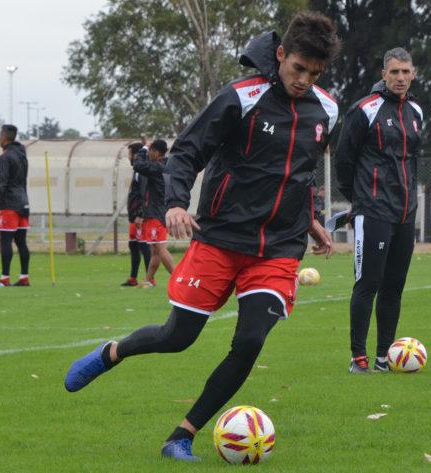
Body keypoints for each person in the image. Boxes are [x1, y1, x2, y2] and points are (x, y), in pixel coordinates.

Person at [64, 11, 340, 462]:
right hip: (220, 239)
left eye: (315, 73)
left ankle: (182, 435)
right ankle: (112, 352)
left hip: (278, 248)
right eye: (298, 69)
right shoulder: (240, 98)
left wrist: (309, 219)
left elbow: (301, 172)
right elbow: (187, 152)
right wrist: (174, 202)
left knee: (250, 342)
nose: (304, 81)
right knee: (178, 337)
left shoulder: (326, 110)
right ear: (281, 54)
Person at [334, 47, 423, 374]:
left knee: (394, 287)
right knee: (367, 283)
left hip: (405, 214)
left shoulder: (416, 110)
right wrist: (359, 200)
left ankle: (386, 356)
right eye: (394, 72)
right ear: (384, 74)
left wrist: (410, 200)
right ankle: (359, 357)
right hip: (372, 211)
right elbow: (344, 161)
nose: (400, 78)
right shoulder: (364, 110)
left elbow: (413, 162)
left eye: (406, 72)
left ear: (413, 74)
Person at [0, 124, 30, 287]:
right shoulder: (22, 155)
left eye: (0, 135)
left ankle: (4, 279)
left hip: (10, 204)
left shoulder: (4, 158)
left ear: (4, 137)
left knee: (6, 241)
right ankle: (24, 277)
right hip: (24, 203)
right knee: (21, 242)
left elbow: (2, 183)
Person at [132, 139, 176, 287]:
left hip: (156, 213)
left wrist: (143, 148)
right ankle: (149, 280)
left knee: (160, 249)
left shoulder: (157, 167)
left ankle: (178, 278)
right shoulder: (166, 165)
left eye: (150, 151)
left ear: (156, 152)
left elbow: (137, 165)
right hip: (159, 212)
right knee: (155, 250)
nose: (148, 154)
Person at [121, 142, 151, 287]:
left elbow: (144, 194)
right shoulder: (137, 171)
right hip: (134, 216)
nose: (128, 157)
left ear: (136, 154)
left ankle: (149, 279)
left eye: (130, 154)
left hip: (140, 216)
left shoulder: (142, 172)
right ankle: (133, 278)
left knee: (144, 246)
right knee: (133, 245)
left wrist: (141, 214)